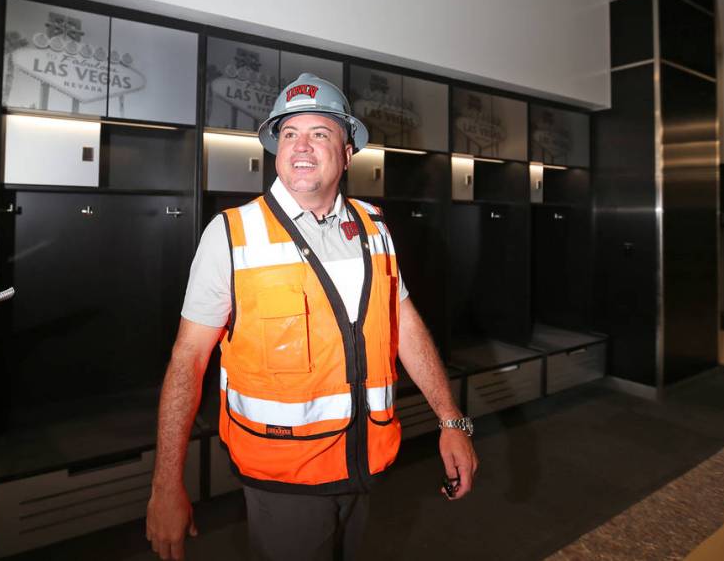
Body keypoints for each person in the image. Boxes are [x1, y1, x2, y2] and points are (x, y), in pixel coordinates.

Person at [146, 73, 478, 561]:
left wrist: (452, 420)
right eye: (289, 134)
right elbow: (187, 361)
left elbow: (405, 324)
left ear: (346, 153)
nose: (301, 147)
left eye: (320, 134)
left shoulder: (373, 227)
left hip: (365, 467)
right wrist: (165, 485)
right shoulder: (232, 235)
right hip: (285, 485)